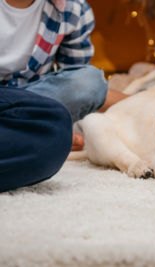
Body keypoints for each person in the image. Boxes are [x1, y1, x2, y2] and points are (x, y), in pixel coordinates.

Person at [0, 0, 126, 191]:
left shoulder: (73, 9)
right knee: (54, 129)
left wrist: (150, 100)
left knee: (86, 86)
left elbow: (75, 85)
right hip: (20, 109)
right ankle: (27, 132)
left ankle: (29, 130)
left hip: (27, 102)